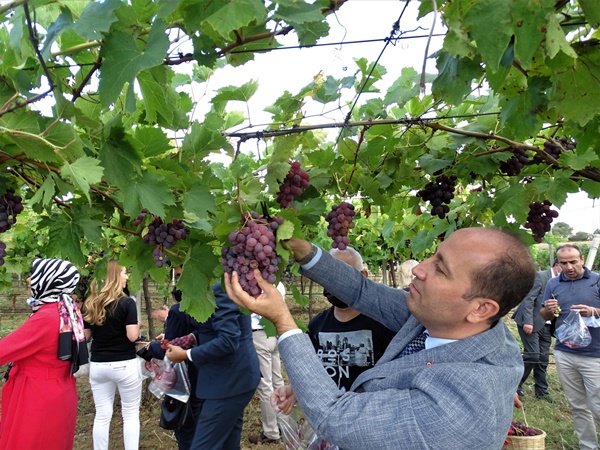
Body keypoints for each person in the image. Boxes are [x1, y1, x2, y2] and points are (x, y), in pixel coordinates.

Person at [223, 227, 537, 449]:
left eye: (441, 269)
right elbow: (363, 292)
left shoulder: (456, 411)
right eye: (433, 256)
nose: (419, 269)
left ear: (482, 308)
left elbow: (334, 417)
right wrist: (306, 252)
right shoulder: (465, 327)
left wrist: (283, 321)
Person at [0, 258, 87, 450]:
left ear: (48, 280)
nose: (30, 280)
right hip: (60, 388)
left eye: (35, 275)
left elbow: (3, 351)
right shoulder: (68, 311)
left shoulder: (47, 317)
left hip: (37, 394)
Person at [165, 282, 260, 450]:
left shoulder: (220, 288)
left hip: (229, 381)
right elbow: (214, 330)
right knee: (228, 444)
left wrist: (186, 355)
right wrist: (190, 339)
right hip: (233, 379)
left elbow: (228, 341)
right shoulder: (216, 285)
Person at [308, 247, 395, 392]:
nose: (337, 283)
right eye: (330, 276)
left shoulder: (384, 326)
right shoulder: (316, 326)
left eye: (345, 274)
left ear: (364, 276)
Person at [541, 244, 600, 450]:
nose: (569, 266)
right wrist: (548, 310)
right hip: (564, 352)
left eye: (573, 261)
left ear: (582, 259)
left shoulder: (597, 280)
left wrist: (593, 311)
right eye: (563, 263)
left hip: (595, 354)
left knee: (598, 406)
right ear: (558, 263)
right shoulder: (553, 283)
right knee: (577, 405)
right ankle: (588, 446)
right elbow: (545, 316)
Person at [83, 260, 142, 450]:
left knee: (101, 414)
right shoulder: (127, 303)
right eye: (124, 273)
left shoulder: (90, 302)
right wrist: (138, 326)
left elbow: (85, 336)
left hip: (99, 365)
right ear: (115, 277)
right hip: (125, 365)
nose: (127, 277)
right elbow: (132, 336)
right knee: (131, 414)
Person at [142, 286, 201, 450]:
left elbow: (169, 349)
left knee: (186, 430)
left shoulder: (178, 311)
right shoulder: (206, 306)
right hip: (205, 376)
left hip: (186, 380)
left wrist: (150, 347)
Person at [512, 259, 561, 401]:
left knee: (543, 358)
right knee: (533, 355)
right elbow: (529, 299)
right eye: (564, 266)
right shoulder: (541, 276)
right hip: (530, 322)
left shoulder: (563, 282)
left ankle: (542, 392)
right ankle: (514, 385)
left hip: (547, 324)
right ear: (557, 266)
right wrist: (528, 322)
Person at [248, 282, 287, 445]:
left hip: (258, 335)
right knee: (278, 382)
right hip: (274, 333)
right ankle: (285, 428)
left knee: (265, 386)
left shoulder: (254, 284)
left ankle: (271, 433)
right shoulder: (278, 284)